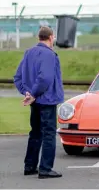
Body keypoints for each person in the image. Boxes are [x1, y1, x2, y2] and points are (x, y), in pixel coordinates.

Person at [13, 26, 63, 179]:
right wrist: (33, 94)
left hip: (34, 101)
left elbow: (18, 77)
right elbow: (45, 78)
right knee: (48, 134)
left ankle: (30, 166)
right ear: (51, 37)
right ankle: (45, 168)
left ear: (38, 37)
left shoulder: (29, 53)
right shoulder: (49, 54)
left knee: (35, 132)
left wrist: (27, 93)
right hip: (46, 100)